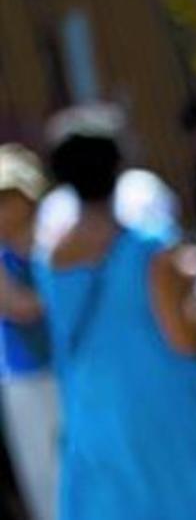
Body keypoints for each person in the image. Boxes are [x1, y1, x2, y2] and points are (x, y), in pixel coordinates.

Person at [32, 104, 196, 520]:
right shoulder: (149, 247)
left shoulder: (50, 254)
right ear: (118, 166)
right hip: (163, 406)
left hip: (92, 414)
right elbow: (184, 339)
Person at [0, 145, 57, 520]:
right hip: (27, 377)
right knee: (46, 477)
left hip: (73, 369)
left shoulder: (54, 238)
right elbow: (17, 306)